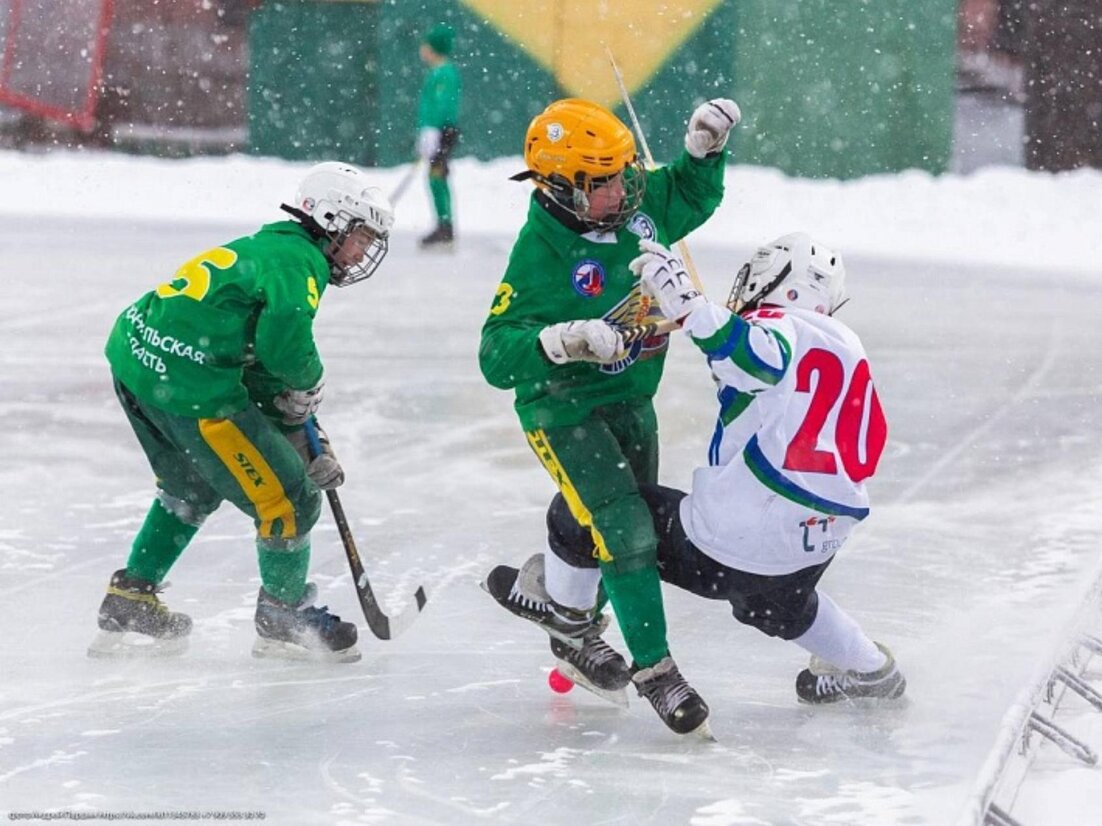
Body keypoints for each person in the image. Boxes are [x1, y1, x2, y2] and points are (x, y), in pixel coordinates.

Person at [541, 232, 905, 710]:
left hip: (733, 541)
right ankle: (871, 670)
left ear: (786, 286)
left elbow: (752, 353)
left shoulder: (781, 327)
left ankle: (573, 630)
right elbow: (867, 443)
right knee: (772, 604)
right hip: (817, 542)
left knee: (592, 511)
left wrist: (690, 305)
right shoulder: (847, 346)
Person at [479, 96, 741, 736]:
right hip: (562, 408)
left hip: (630, 399)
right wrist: (560, 339)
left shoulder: (630, 198)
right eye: (605, 183)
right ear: (563, 187)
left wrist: (703, 154)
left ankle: (566, 618)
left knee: (615, 516)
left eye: (625, 173)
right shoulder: (539, 251)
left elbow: (687, 196)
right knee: (625, 527)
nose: (625, 190)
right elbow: (494, 353)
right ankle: (657, 672)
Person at [90, 162, 396, 663]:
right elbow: (284, 346)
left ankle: (130, 597)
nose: (362, 251)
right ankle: (282, 615)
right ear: (330, 220)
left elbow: (252, 353)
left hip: (137, 360)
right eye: (359, 237)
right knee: (291, 498)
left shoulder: (270, 247)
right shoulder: (301, 263)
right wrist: (309, 385)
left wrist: (297, 425)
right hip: (190, 384)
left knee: (191, 485)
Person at [416, 23, 461, 248]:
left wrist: (434, 130)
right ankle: (443, 223)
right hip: (437, 131)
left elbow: (442, 104)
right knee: (435, 177)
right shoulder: (438, 72)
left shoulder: (445, 73)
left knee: (437, 176)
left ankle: (445, 225)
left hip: (442, 132)